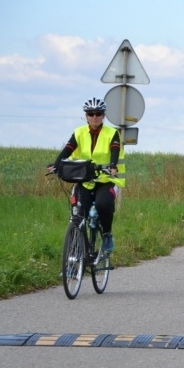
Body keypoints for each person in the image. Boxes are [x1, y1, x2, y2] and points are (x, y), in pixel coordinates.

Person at [48, 97, 124, 254]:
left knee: (103, 204)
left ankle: (107, 234)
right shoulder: (79, 133)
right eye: (90, 113)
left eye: (98, 113)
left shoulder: (112, 133)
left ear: (103, 116)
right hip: (84, 180)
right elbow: (67, 149)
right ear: (86, 115)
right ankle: (76, 253)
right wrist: (56, 165)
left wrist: (113, 165)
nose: (94, 117)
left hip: (105, 180)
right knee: (78, 215)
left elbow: (115, 149)